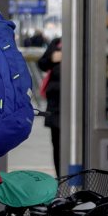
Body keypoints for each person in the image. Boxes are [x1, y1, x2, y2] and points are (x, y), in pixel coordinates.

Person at [37, 37, 63, 176]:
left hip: (74, 107)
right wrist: (53, 58)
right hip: (56, 105)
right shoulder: (57, 42)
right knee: (57, 144)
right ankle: (61, 179)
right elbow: (42, 63)